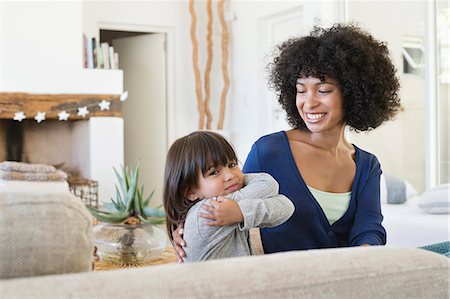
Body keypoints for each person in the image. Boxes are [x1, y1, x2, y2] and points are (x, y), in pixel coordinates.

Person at [172, 23, 401, 260]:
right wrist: (186, 229)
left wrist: (361, 262)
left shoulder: (367, 165)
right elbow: (227, 200)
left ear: (354, 94)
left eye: (323, 90)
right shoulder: (270, 151)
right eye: (301, 90)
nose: (309, 103)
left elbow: (369, 229)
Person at [163, 130, 294, 262]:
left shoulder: (229, 208)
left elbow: (287, 207)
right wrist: (240, 211)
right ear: (190, 192)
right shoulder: (206, 213)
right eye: (214, 172)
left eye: (232, 165)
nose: (230, 175)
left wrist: (241, 212)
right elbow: (267, 184)